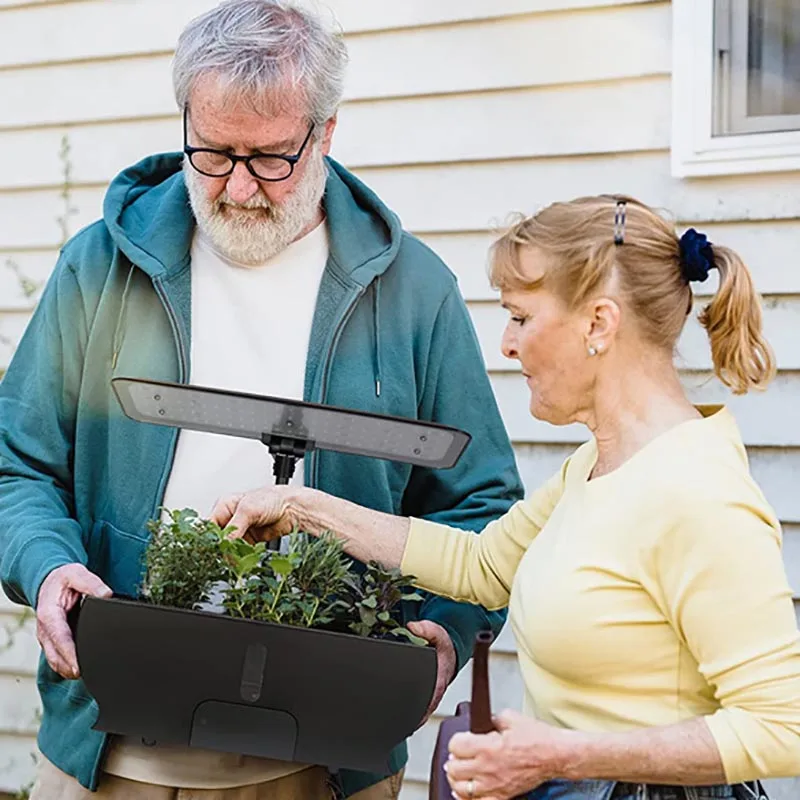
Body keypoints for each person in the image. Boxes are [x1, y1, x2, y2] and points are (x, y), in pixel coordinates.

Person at [0, 1, 524, 798]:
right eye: (212, 153)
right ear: (184, 120)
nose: (239, 187)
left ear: (326, 132)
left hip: (327, 757)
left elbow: (481, 503)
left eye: (271, 158)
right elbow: (17, 465)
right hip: (112, 747)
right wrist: (47, 567)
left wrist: (446, 634)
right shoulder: (99, 267)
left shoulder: (413, 292)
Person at [211, 195, 800, 800]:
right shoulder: (601, 464)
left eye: (521, 317)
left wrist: (557, 755)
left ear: (598, 323)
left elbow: (782, 727)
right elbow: (483, 565)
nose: (507, 345)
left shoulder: (697, 492)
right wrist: (300, 509)